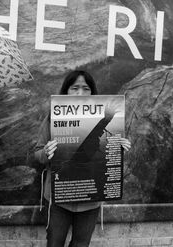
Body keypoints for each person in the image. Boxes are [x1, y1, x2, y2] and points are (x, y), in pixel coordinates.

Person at [35, 70, 131, 247]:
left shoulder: (98, 126)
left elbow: (99, 140)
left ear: (92, 92)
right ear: (66, 91)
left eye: (86, 88)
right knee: (54, 243)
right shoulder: (53, 117)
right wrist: (46, 152)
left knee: (81, 243)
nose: (80, 93)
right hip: (59, 197)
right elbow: (37, 153)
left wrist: (118, 147)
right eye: (75, 88)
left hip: (90, 199)